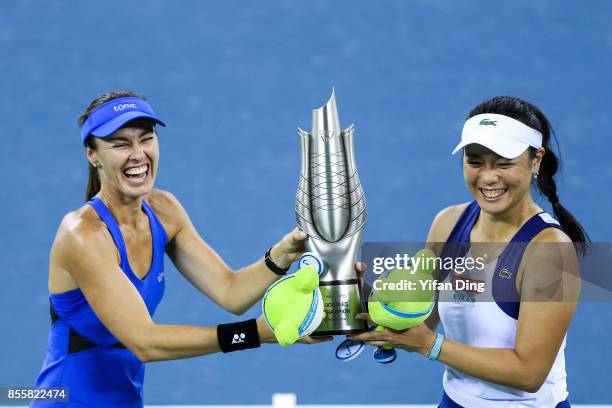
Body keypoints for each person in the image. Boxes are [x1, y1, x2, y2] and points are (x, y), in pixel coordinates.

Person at [32, 90, 327, 407]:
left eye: (146, 139)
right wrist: (255, 333)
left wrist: (282, 255)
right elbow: (144, 342)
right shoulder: (83, 235)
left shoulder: (163, 210)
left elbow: (231, 291)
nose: (138, 154)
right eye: (120, 144)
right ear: (93, 155)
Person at [350, 96, 587, 407]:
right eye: (475, 161)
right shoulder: (448, 224)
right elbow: (422, 316)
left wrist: (429, 346)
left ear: (536, 160)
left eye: (504, 163)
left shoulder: (550, 251)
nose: (488, 177)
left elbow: (530, 373)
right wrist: (366, 300)